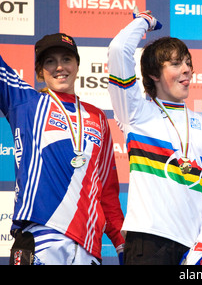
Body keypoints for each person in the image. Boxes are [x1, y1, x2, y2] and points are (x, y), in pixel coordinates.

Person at [107, 8, 202, 265]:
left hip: (192, 249)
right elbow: (119, 49)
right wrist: (145, 21)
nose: (186, 70)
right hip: (148, 243)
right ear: (153, 73)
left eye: (188, 63)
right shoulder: (136, 112)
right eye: (176, 64)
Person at [0, 33, 125, 265]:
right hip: (41, 235)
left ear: (77, 66)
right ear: (39, 72)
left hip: (88, 245)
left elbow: (107, 190)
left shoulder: (97, 117)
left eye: (67, 59)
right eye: (50, 61)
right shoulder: (25, 104)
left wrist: (120, 241)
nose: (60, 67)